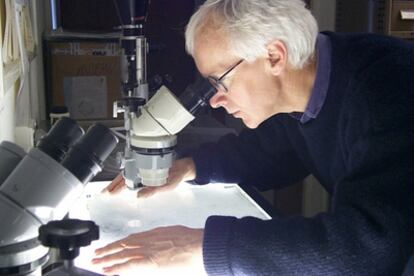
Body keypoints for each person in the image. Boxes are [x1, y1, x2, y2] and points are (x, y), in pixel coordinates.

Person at [92, 0, 414, 275]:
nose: (214, 101)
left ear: (274, 56)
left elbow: (366, 250)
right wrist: (190, 167)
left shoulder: (386, 91)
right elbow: (271, 152)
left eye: (218, 82)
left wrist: (203, 245)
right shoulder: (308, 89)